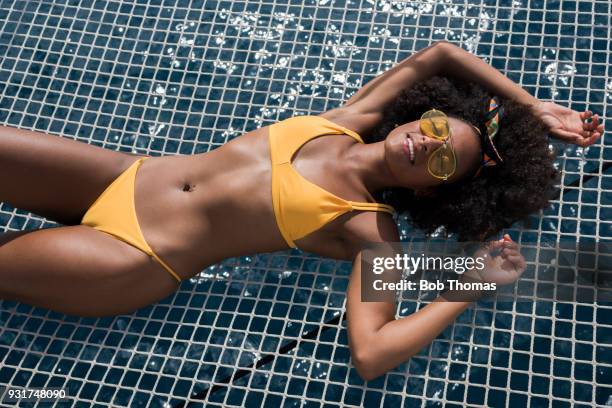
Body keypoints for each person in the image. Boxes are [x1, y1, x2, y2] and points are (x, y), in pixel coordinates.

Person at [0, 41, 603, 379]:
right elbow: (438, 54)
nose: (429, 143)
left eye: (444, 161)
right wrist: (533, 110)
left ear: (433, 190)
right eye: (438, 127)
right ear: (425, 113)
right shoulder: (349, 120)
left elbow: (372, 353)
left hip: (133, 256)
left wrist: (464, 287)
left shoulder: (371, 230)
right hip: (118, 174)